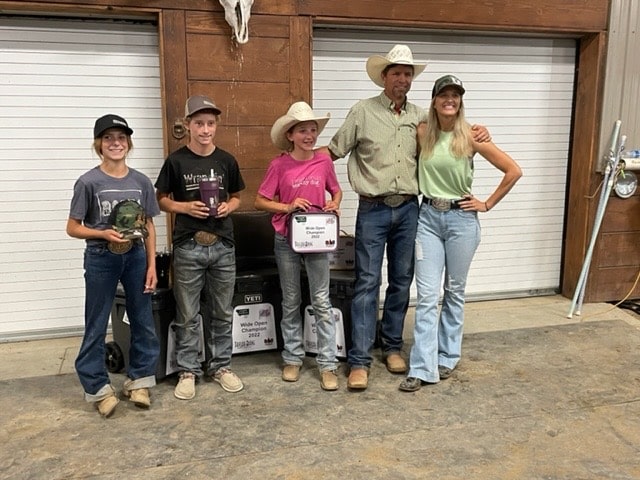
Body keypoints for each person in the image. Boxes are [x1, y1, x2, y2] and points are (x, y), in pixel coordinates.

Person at [326, 44, 490, 390]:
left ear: (412, 80)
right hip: (372, 208)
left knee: (402, 280)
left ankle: (392, 346)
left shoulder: (422, 119)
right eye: (396, 72)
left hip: (410, 210)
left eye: (407, 73)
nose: (402, 78)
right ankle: (359, 361)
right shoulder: (363, 112)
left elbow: (453, 131)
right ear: (384, 77)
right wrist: (302, 172)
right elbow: (332, 151)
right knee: (367, 283)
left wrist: (480, 132)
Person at [399, 75, 522, 392]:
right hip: (427, 218)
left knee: (454, 291)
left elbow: (513, 170)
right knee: (427, 296)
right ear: (435, 100)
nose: (449, 100)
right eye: (444, 95)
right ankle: (422, 367)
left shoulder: (471, 136)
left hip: (461, 221)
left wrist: (487, 203)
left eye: (455, 95)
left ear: (460, 101)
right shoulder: (423, 132)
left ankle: (447, 357)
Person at [67, 114, 161, 417]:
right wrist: (100, 232)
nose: (115, 143)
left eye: (121, 138)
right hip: (100, 256)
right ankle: (98, 388)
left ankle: (139, 381)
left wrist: (151, 265)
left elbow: (148, 224)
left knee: (142, 319)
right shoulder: (88, 182)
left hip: (135, 256)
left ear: (128, 143)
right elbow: (73, 227)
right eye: (108, 138)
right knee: (96, 324)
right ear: (99, 144)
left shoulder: (141, 181)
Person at [155, 95, 245, 400]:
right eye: (198, 123)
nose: (205, 129)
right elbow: (161, 199)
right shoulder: (176, 160)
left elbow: (237, 197)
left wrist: (228, 207)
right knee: (187, 313)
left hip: (223, 244)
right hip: (188, 245)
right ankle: (188, 370)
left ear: (216, 125)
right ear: (188, 125)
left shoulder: (226, 160)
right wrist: (184, 207)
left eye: (210, 123)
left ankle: (220, 366)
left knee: (222, 311)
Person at [255, 101, 343, 391]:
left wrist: (335, 203)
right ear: (290, 135)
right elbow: (260, 200)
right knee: (291, 299)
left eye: (313, 130)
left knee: (321, 300)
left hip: (317, 237)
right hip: (286, 239)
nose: (309, 135)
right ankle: (292, 357)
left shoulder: (324, 162)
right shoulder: (278, 165)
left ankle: (328, 364)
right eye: (303, 130)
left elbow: (336, 190)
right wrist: (288, 205)